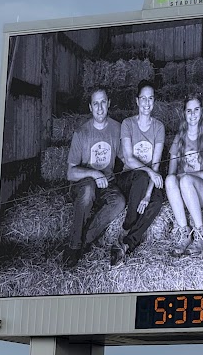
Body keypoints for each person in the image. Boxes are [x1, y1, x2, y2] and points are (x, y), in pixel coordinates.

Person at [63, 87, 126, 268]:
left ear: (109, 104)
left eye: (103, 102)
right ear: (90, 108)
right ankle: (74, 247)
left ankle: (86, 239)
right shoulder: (81, 133)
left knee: (119, 202)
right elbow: (70, 172)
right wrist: (94, 173)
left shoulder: (117, 128)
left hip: (107, 184)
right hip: (84, 185)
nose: (100, 108)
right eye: (95, 104)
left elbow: (124, 157)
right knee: (88, 188)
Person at [111, 81, 167, 266]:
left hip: (147, 181)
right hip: (128, 178)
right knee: (142, 175)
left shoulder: (158, 127)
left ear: (154, 101)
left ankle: (128, 243)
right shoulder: (127, 124)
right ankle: (128, 224)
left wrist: (148, 195)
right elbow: (128, 158)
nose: (147, 103)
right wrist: (149, 171)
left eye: (150, 99)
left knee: (157, 201)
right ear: (137, 100)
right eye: (143, 98)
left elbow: (157, 163)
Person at [165, 93, 203, 256]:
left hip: (202, 191)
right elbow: (171, 173)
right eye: (189, 111)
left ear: (202, 111)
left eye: (196, 109)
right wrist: (178, 178)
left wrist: (187, 177)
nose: (193, 114)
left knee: (185, 180)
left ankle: (201, 232)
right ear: (184, 113)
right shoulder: (179, 138)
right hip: (183, 192)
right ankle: (185, 232)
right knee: (170, 179)